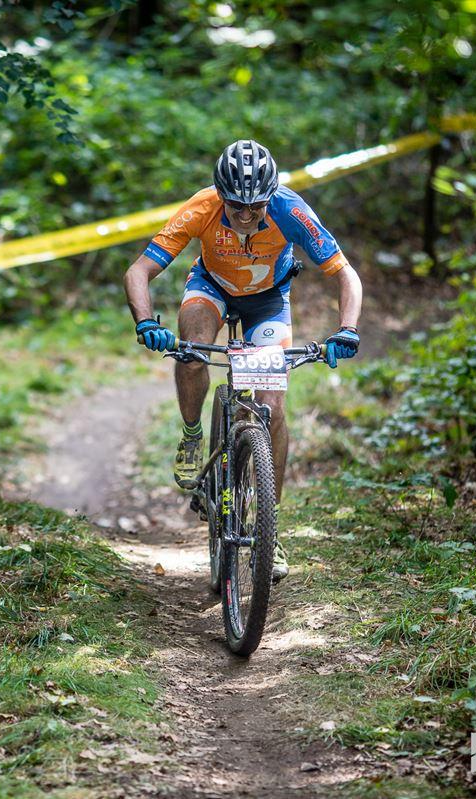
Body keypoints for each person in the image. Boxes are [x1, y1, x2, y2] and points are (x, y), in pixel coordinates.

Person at [122, 140, 363, 580]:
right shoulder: (202, 206)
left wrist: (347, 328)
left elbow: (345, 273)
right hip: (211, 287)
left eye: (257, 206)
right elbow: (138, 271)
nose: (247, 215)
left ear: (271, 196)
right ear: (221, 195)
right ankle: (192, 436)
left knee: (272, 406)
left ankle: (270, 530)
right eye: (237, 206)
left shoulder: (290, 209)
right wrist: (145, 322)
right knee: (193, 350)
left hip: (268, 300)